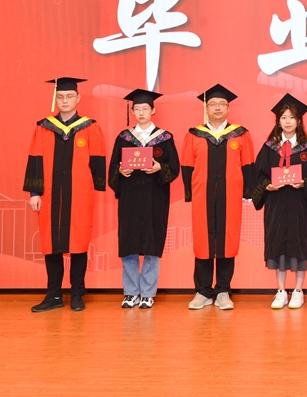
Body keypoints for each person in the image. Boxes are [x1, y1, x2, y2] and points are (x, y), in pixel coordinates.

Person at [23, 77, 106, 313]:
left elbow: (98, 160)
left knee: (78, 243)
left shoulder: (90, 127)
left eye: (69, 96)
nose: (65, 100)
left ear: (78, 98)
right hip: (50, 195)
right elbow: (35, 159)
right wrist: (34, 192)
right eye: (60, 97)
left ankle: (77, 294)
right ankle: (54, 295)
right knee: (51, 245)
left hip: (80, 195)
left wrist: (93, 188)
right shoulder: (43, 127)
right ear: (55, 99)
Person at [181, 84, 255, 311]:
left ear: (228, 108)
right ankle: (203, 292)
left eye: (222, 104)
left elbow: (248, 165)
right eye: (212, 104)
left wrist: (247, 193)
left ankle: (223, 291)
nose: (217, 108)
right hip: (202, 196)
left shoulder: (240, 134)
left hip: (230, 196)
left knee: (227, 241)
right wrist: (190, 193)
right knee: (203, 242)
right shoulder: (194, 134)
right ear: (206, 108)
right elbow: (187, 165)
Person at [108, 89, 180, 309]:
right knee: (128, 245)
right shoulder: (124, 138)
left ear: (153, 110)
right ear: (132, 111)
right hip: (130, 199)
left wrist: (159, 168)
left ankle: (148, 293)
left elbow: (174, 168)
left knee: (151, 245)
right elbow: (113, 168)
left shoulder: (164, 138)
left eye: (145, 109)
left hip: (154, 199)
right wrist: (120, 171)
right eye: (137, 109)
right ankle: (131, 293)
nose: (140, 112)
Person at [250, 93, 307, 310]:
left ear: (299, 121)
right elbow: (259, 175)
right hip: (276, 203)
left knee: (298, 244)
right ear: (278, 121)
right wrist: (267, 185)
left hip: (298, 204)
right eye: (283, 117)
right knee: (277, 244)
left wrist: (305, 183)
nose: (288, 121)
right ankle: (280, 291)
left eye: (291, 117)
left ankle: (298, 291)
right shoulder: (269, 147)